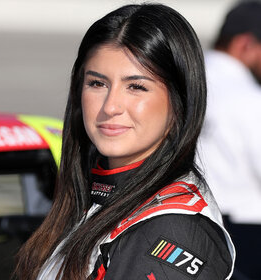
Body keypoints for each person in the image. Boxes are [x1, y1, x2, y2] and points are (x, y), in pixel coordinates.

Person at [15, 3, 235, 280]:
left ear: (180, 102)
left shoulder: (172, 228)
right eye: (97, 83)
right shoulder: (90, 196)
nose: (110, 106)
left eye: (136, 87)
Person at [198, 1, 261, 278]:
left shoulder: (180, 81)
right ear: (246, 44)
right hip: (247, 237)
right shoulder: (249, 98)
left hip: (183, 223)